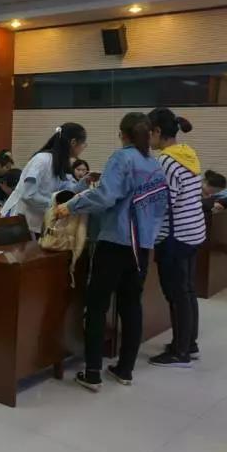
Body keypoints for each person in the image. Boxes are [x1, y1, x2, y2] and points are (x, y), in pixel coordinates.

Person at [53, 113, 169, 392]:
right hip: (142, 246)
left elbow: (106, 197)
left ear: (123, 134)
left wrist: (71, 206)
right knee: (131, 306)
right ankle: (125, 369)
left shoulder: (122, 158)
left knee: (96, 307)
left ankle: (92, 373)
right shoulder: (155, 164)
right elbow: (159, 206)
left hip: (115, 242)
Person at [148, 108, 206, 368]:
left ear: (158, 131)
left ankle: (180, 351)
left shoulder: (166, 162)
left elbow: (164, 203)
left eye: (149, 132)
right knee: (187, 291)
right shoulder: (187, 154)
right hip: (194, 232)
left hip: (175, 237)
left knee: (176, 294)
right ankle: (188, 343)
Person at [1, 123, 89, 237]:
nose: (83, 148)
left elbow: (67, 189)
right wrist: (54, 205)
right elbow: (28, 195)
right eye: (83, 144)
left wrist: (84, 183)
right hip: (18, 221)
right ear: (73, 142)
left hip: (36, 222)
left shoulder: (60, 162)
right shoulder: (41, 160)